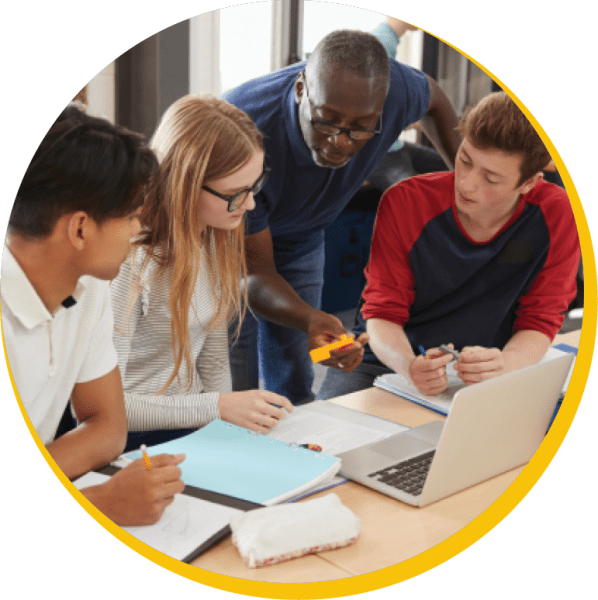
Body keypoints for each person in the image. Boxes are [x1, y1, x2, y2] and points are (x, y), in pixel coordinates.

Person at [224, 29, 461, 404]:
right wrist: (308, 317)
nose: (341, 141)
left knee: (297, 371)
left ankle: (297, 453)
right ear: (301, 89)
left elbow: (433, 96)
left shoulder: (396, 91)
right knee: (234, 380)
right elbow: (254, 273)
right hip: (227, 239)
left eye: (361, 127)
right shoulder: (245, 124)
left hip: (303, 235)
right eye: (326, 121)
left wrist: (464, 181)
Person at [318, 91, 580, 399]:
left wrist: (506, 365)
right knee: (325, 439)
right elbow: (382, 313)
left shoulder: (558, 212)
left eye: (491, 179)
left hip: (489, 364)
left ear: (528, 183)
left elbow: (542, 317)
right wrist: (409, 366)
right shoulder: (405, 201)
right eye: (465, 161)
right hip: (386, 357)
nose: (466, 183)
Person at [1, 106, 186, 526]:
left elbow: (107, 428)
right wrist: (99, 506)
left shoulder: (87, 287)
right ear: (80, 229)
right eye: (133, 215)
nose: (138, 232)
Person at [110, 95, 293, 452]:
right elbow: (103, 409)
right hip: (129, 438)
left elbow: (212, 363)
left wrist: (229, 431)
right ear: (184, 182)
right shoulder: (127, 261)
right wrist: (219, 408)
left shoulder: (212, 235)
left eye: (253, 187)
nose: (250, 204)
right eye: (233, 194)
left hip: (190, 425)